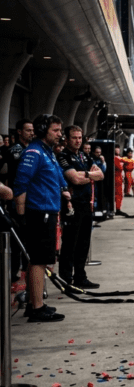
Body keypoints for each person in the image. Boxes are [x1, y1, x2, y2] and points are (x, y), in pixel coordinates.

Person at [11, 114, 70, 321]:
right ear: (44, 130)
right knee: (38, 260)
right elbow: (20, 183)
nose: (59, 134)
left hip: (47, 211)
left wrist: (64, 191)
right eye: (55, 130)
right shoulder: (34, 152)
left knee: (39, 260)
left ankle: (34, 303)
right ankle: (37, 308)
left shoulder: (47, 152)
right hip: (39, 213)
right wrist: (21, 216)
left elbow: (56, 176)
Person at [56, 125, 104, 288]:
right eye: (74, 138)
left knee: (84, 243)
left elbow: (101, 175)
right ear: (67, 139)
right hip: (71, 206)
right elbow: (74, 179)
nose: (77, 141)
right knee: (70, 243)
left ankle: (80, 277)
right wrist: (90, 176)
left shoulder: (84, 156)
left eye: (79, 137)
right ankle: (66, 279)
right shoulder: (63, 156)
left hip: (86, 205)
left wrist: (86, 175)